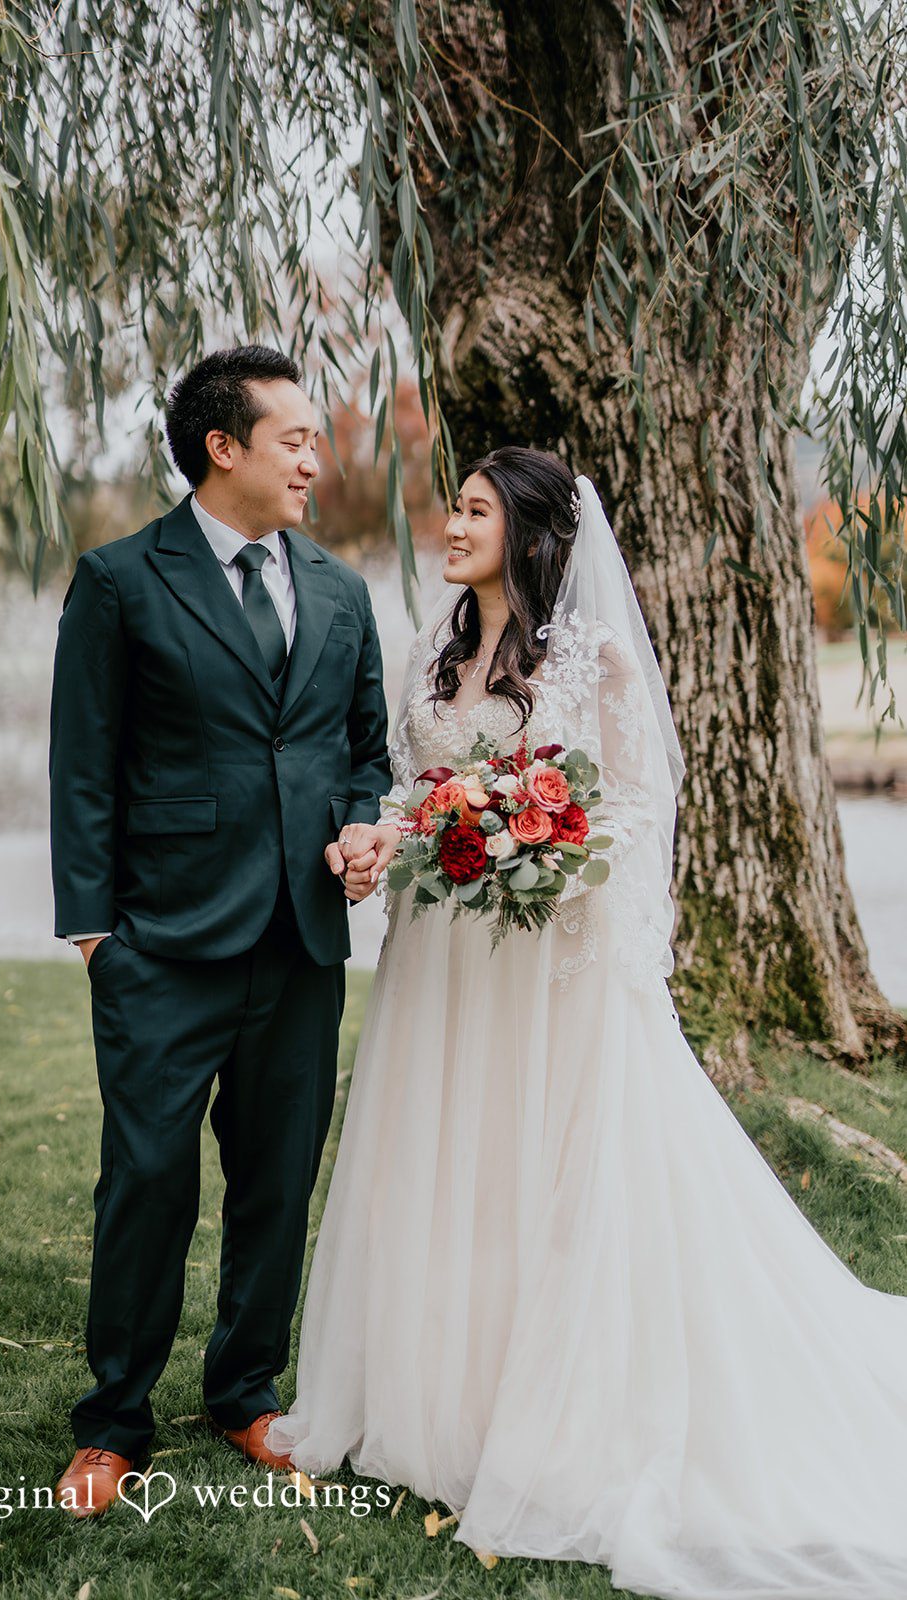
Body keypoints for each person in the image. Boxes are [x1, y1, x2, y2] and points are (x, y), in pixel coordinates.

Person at [267, 446, 907, 1599]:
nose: (451, 524)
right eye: (454, 506)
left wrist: (542, 854)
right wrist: (382, 834)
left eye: (474, 511)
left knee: (539, 1171)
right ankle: (439, 1397)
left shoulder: (591, 658)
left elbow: (632, 809)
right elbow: (412, 791)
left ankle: (548, 1414)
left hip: (544, 963)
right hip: (439, 956)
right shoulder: (431, 650)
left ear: (525, 532)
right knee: (445, 1162)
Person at [47, 344, 391, 1517]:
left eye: (314, 441)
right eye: (293, 439)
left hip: (300, 941)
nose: (313, 460)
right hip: (162, 941)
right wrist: (96, 934)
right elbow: (83, 767)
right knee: (147, 1180)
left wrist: (360, 829)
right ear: (221, 447)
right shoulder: (119, 581)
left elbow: (361, 754)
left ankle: (245, 1389)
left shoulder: (340, 591)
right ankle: (112, 1421)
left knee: (276, 1182)